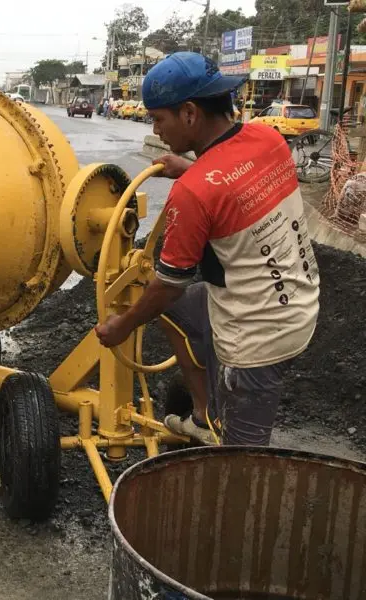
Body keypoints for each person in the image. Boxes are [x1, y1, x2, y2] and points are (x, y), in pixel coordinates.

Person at [94, 52, 320, 447]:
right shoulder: (268, 139)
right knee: (179, 310)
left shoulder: (193, 194)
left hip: (258, 339)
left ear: (189, 113)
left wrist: (122, 325)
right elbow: (233, 179)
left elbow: (169, 286)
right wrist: (191, 168)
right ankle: (203, 415)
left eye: (158, 119)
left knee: (241, 461)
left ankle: (230, 451)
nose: (155, 129)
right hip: (300, 300)